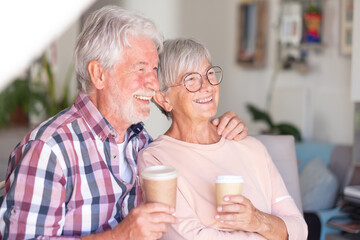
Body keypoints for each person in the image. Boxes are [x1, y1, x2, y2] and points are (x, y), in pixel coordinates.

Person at [0, 6, 248, 240]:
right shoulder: (48, 149)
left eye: (154, 69)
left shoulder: (141, 141)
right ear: (99, 74)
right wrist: (120, 236)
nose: (153, 82)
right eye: (140, 69)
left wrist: (220, 133)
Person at [138, 38, 308, 240]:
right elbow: (183, 236)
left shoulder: (250, 147)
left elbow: (299, 229)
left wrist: (256, 220)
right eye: (190, 79)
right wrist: (270, 232)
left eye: (209, 73)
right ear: (163, 99)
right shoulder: (156, 160)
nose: (207, 86)